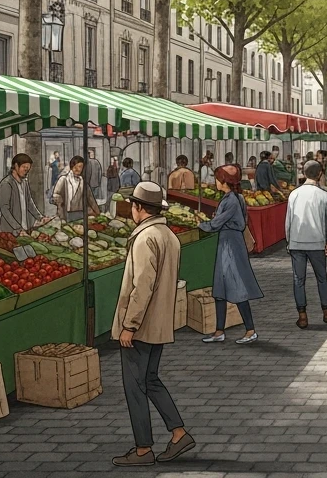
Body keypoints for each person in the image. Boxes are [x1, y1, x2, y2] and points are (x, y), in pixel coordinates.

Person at [112, 181, 194, 466]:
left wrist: (129, 324)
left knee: (135, 386)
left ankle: (143, 449)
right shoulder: (168, 234)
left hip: (142, 325)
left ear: (137, 208)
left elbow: (142, 285)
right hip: (159, 323)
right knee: (151, 379)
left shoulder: (145, 237)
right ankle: (178, 432)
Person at [198, 167, 261, 344]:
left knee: (237, 287)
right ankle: (219, 331)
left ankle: (250, 330)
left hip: (231, 245)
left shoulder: (231, 200)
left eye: (217, 178)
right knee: (221, 288)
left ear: (224, 181)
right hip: (227, 243)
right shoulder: (234, 198)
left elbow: (216, 224)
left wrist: (200, 223)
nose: (215, 181)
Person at [286, 160, 327, 329]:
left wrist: (289, 240)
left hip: (296, 242)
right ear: (319, 174)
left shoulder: (294, 194)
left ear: (304, 173)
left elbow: (288, 220)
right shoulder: (325, 195)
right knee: (322, 278)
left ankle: (302, 316)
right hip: (317, 243)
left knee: (298, 280)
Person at [0, 153, 43, 234]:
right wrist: (17, 227)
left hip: (24, 229)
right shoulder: (6, 183)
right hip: (10, 232)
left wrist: (40, 217)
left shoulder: (24, 182)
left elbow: (29, 202)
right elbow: (4, 209)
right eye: (24, 167)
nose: (26, 171)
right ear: (16, 166)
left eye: (28, 169)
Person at [52, 155, 100, 222]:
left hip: (80, 213)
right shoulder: (63, 179)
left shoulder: (83, 183)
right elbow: (56, 194)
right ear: (72, 166)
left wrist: (98, 213)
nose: (78, 169)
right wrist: (58, 200)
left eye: (80, 167)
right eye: (75, 166)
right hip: (66, 213)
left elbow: (91, 199)